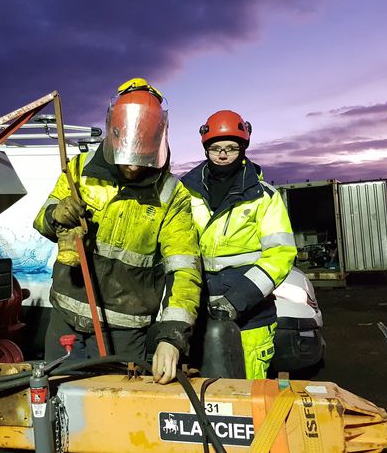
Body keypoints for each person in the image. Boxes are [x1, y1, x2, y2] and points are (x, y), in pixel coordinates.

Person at [33, 78, 201, 384]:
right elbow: (41, 221)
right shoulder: (80, 170)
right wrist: (56, 216)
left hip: (123, 332)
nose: (134, 167)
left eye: (142, 156)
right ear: (113, 135)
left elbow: (184, 270)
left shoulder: (171, 194)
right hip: (64, 322)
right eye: (126, 157)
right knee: (54, 412)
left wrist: (171, 337)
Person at [181, 110, 296, 380]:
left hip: (251, 319)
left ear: (243, 148)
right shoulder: (185, 193)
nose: (223, 154)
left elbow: (280, 254)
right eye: (216, 148)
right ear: (206, 148)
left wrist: (237, 300)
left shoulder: (264, 197)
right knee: (200, 395)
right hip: (198, 315)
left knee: (247, 397)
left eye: (231, 148)